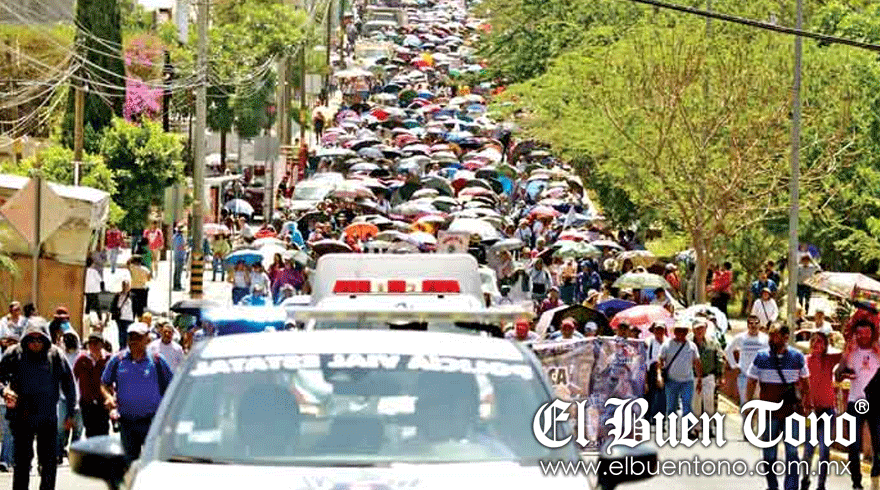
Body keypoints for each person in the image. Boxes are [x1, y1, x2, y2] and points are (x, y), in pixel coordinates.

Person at [0, 318, 76, 490]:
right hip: (21, 416)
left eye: (39, 339)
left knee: (49, 463)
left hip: (47, 416)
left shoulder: (55, 355)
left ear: (46, 339)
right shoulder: (14, 353)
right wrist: (4, 391)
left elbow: (69, 384)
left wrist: (70, 413)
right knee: (22, 463)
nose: (35, 343)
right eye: (31, 339)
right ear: (25, 338)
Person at [746, 324, 810, 490]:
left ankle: (791, 487)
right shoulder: (761, 357)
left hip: (791, 413)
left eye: (775, 336)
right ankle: (772, 486)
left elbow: (806, 382)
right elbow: (751, 381)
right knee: (769, 454)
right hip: (769, 414)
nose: (771, 339)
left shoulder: (797, 357)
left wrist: (805, 404)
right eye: (771, 335)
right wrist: (749, 404)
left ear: (785, 337)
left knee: (792, 452)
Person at [101, 322, 173, 462]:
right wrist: (109, 397)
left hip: (152, 422)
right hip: (126, 423)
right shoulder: (118, 360)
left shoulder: (157, 360)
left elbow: (171, 386)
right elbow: (104, 383)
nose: (133, 341)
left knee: (152, 462)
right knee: (129, 464)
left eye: (138, 337)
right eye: (131, 337)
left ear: (147, 339)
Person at [836, 320, 880, 490]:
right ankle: (856, 482)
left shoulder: (877, 352)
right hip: (855, 402)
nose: (863, 336)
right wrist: (845, 356)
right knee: (853, 445)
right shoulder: (851, 352)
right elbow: (838, 375)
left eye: (867, 333)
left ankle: (876, 474)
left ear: (872, 333)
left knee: (878, 443)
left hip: (875, 403)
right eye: (860, 333)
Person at [801, 330, 842, 490]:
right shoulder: (804, 361)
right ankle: (805, 480)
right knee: (809, 449)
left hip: (828, 411)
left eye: (819, 341)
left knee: (824, 450)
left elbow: (847, 353)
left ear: (825, 345)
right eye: (813, 341)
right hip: (811, 411)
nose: (816, 344)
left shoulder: (829, 360)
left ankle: (821, 485)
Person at [658, 323, 702, 435]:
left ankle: (688, 430)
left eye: (683, 331)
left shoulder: (692, 346)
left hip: (687, 381)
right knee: (671, 407)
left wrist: (699, 379)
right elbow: (660, 361)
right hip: (671, 381)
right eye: (678, 330)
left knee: (687, 406)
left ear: (686, 332)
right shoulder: (667, 345)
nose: (681, 333)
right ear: (674, 332)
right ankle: (672, 428)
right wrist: (659, 376)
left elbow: (697, 362)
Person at [73, 333, 111, 438]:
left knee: (103, 431)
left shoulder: (108, 359)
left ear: (102, 344)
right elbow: (73, 378)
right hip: (87, 402)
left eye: (96, 344)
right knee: (90, 431)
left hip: (103, 402)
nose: (93, 347)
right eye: (91, 344)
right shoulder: (82, 359)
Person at [725, 314, 769, 405]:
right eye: (751, 323)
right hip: (744, 374)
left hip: (760, 376)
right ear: (747, 325)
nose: (753, 326)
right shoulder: (740, 337)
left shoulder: (765, 338)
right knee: (745, 403)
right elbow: (728, 350)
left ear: (759, 325)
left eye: (756, 323)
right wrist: (734, 366)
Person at [691, 320, 724, 438]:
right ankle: (695, 428)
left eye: (701, 328)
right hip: (694, 376)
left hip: (709, 376)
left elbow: (719, 358)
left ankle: (708, 427)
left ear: (705, 329)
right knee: (695, 402)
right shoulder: (689, 343)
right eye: (697, 328)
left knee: (709, 402)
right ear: (693, 330)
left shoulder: (713, 343)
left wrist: (720, 376)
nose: (699, 331)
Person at [644, 322, 667, 421]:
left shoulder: (668, 342)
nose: (659, 332)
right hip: (652, 370)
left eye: (661, 329)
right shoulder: (650, 341)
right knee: (649, 394)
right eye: (657, 329)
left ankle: (661, 419)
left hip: (664, 370)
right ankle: (648, 417)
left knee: (663, 396)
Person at [84, 257, 103, 321]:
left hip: (87, 290)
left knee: (88, 304)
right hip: (94, 290)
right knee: (97, 305)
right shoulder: (94, 271)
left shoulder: (84, 271)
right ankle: (100, 318)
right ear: (92, 264)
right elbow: (100, 280)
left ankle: (86, 316)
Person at [172, 226, 187, 291]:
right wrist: (185, 247)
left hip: (177, 256)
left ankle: (177, 284)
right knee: (178, 272)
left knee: (177, 271)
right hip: (179, 256)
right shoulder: (179, 237)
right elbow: (179, 246)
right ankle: (177, 285)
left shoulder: (175, 236)